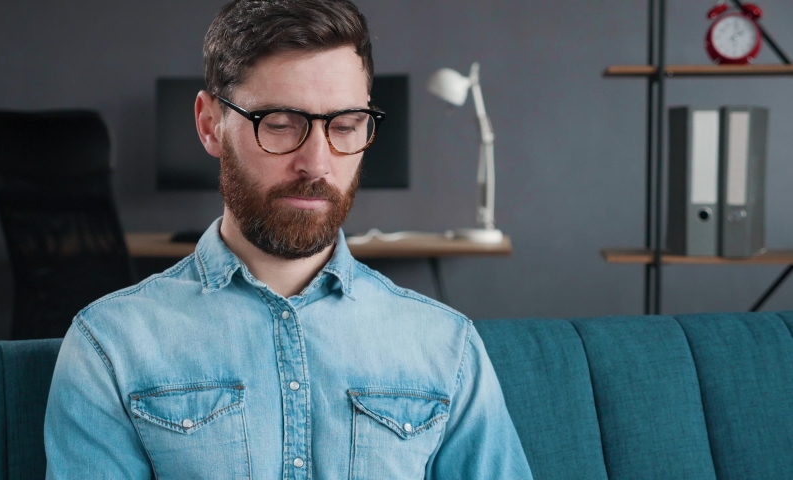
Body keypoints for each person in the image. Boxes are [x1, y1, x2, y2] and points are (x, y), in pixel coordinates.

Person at [44, 0, 533, 478]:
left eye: (345, 126)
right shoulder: (110, 346)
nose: (317, 164)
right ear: (210, 125)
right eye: (279, 125)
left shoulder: (447, 348)